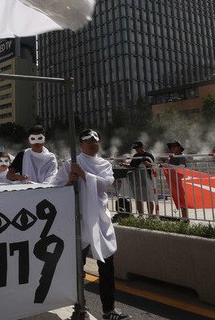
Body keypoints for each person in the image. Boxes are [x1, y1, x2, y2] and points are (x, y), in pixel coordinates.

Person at [53, 129, 131, 320]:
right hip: (78, 221)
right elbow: (56, 185)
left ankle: (109, 310)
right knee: (77, 268)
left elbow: (105, 185)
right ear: (80, 144)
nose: (93, 143)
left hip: (100, 220)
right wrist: (70, 181)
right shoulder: (71, 163)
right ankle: (79, 308)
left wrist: (83, 174)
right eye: (88, 140)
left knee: (106, 266)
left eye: (96, 139)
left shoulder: (104, 164)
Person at [121, 141, 155, 216]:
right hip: (137, 180)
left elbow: (153, 166)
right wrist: (124, 165)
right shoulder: (136, 156)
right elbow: (132, 166)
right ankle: (140, 215)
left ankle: (150, 215)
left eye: (138, 148)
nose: (137, 149)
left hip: (147, 180)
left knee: (149, 199)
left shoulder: (148, 155)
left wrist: (148, 164)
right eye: (135, 148)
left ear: (142, 147)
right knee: (138, 199)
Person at [160, 140, 189, 219]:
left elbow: (181, 167)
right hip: (174, 180)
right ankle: (183, 218)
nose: (172, 148)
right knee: (179, 199)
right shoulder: (172, 157)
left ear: (179, 147)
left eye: (174, 146)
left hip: (181, 180)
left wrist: (167, 165)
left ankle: (185, 218)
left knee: (182, 200)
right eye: (171, 147)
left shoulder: (181, 156)